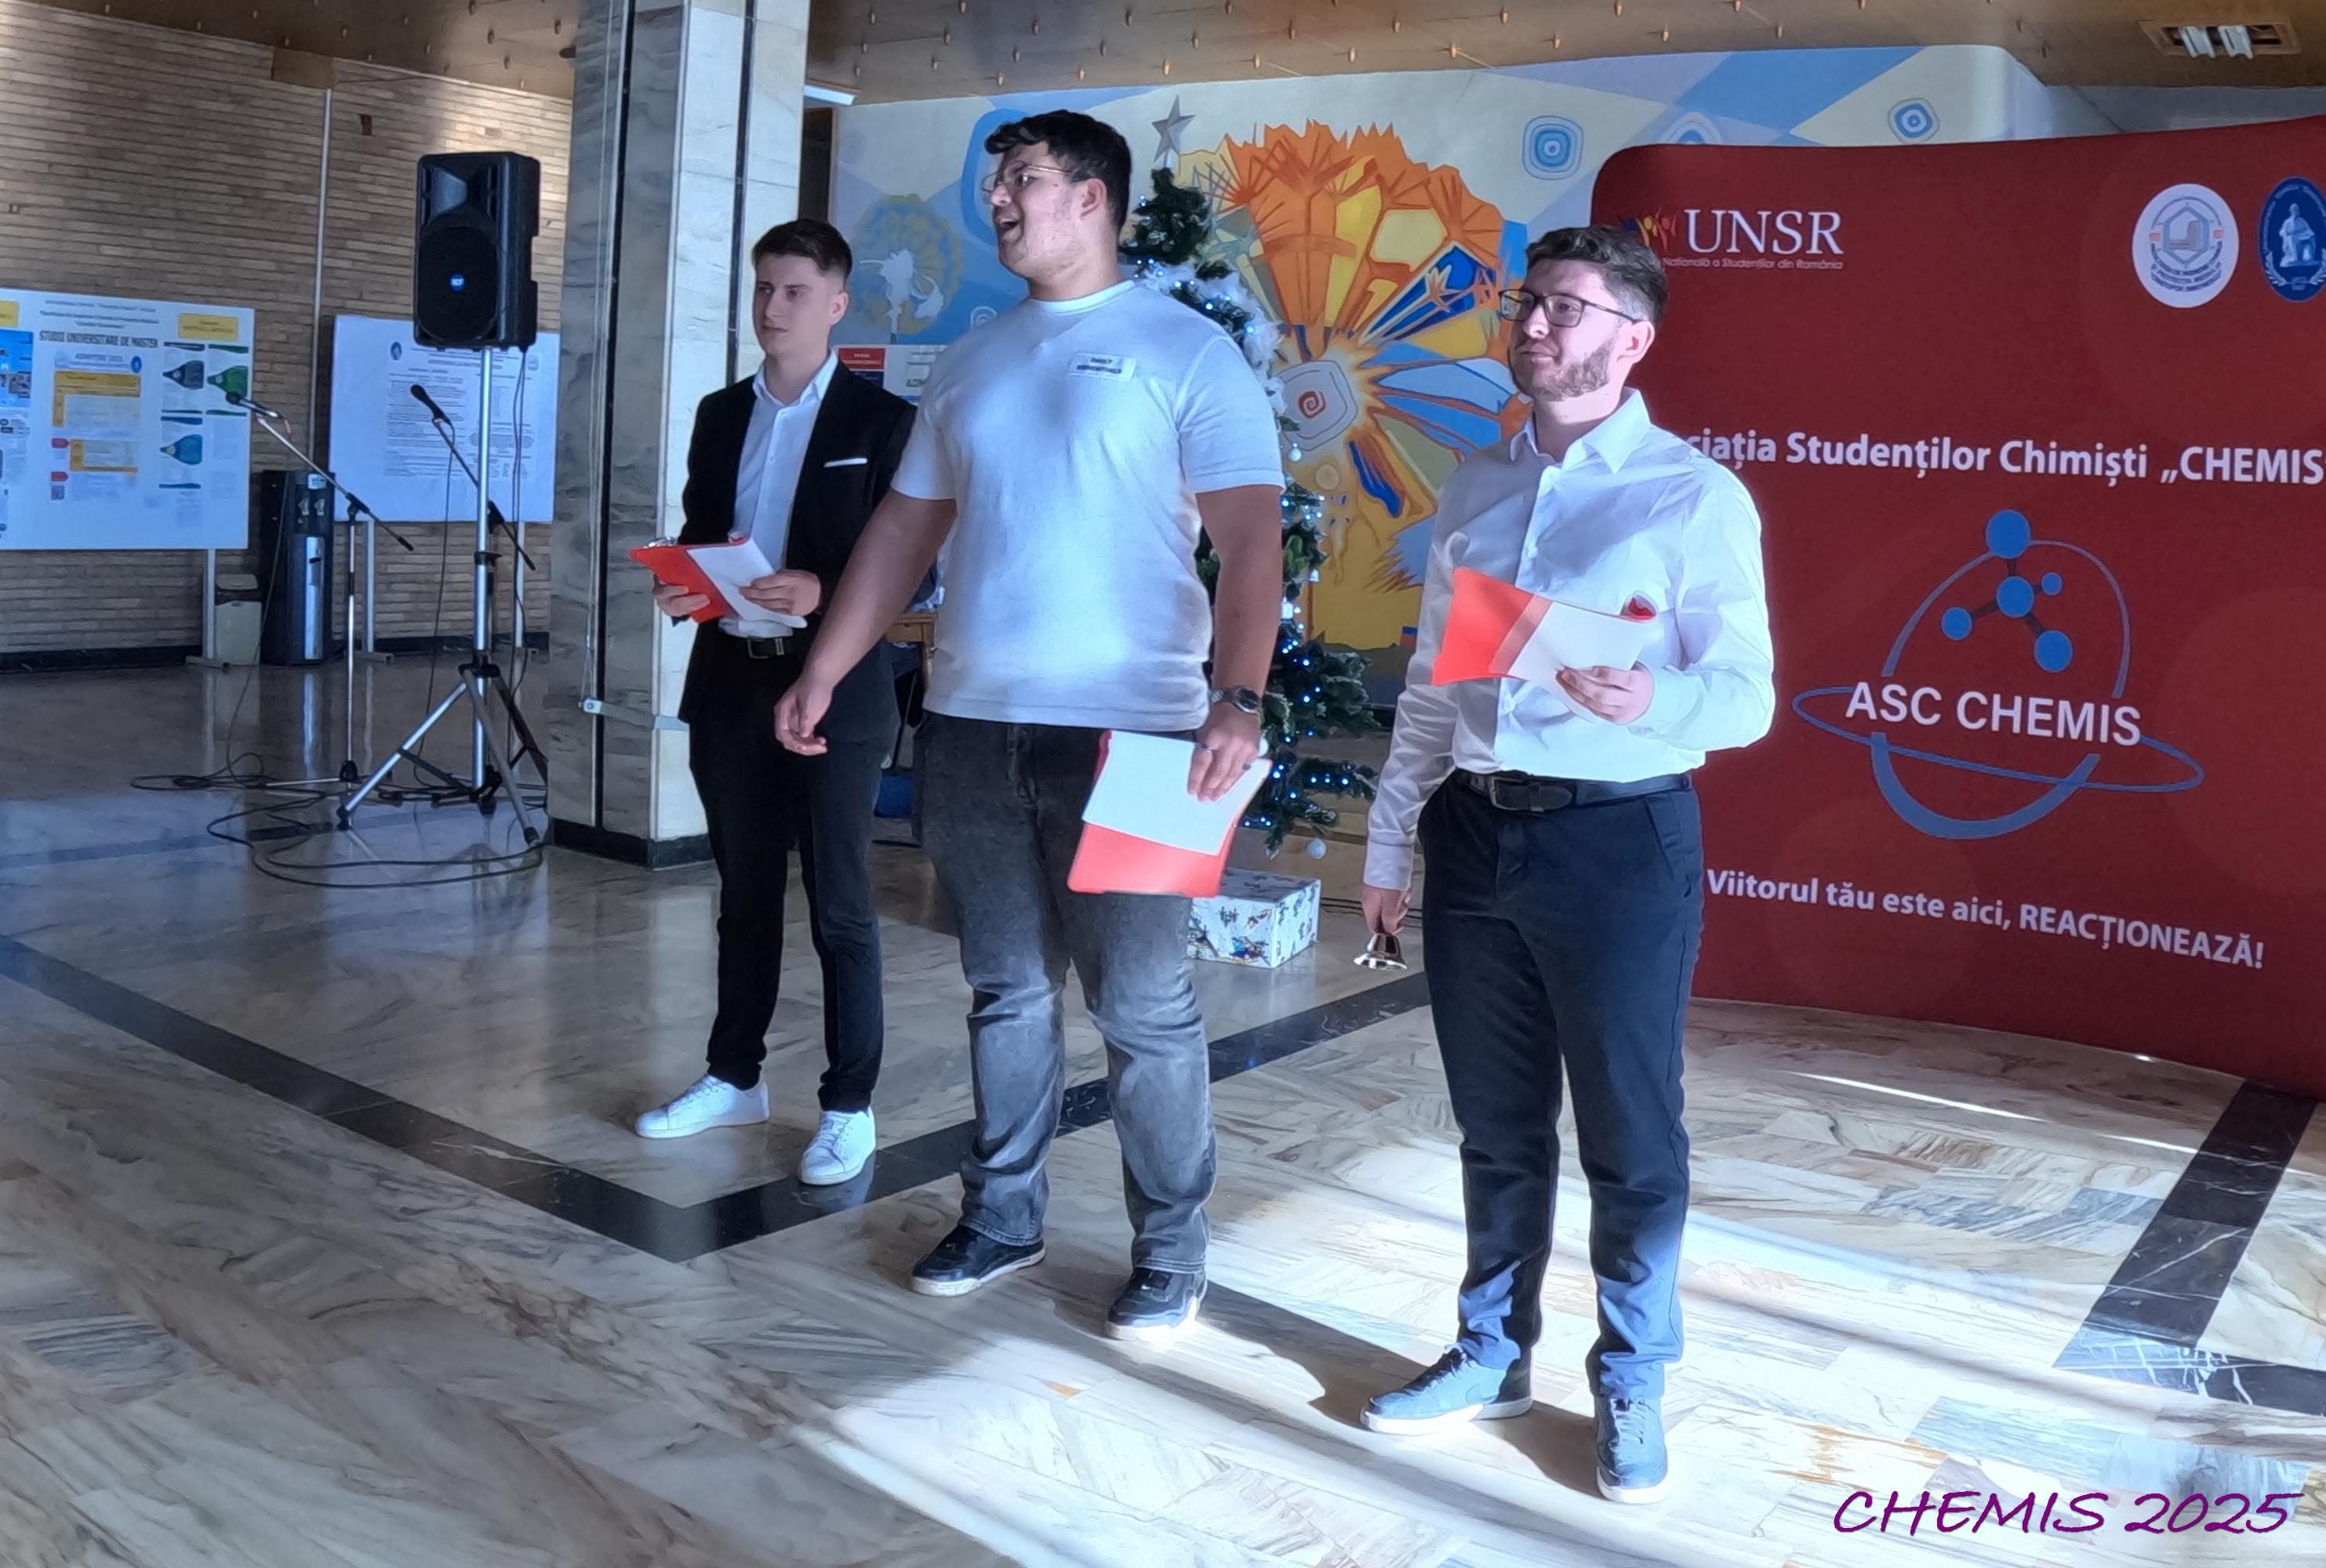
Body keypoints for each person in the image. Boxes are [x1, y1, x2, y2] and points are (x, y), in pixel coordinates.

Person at [774, 111, 1285, 1341]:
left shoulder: (1184, 349)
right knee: (1003, 992)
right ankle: (1002, 1215)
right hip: (969, 728)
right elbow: (903, 533)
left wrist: (1238, 696)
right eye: (996, 180)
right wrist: (826, 667)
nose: (997, 199)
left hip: (1138, 738)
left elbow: (1250, 537)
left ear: (1092, 197)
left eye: (1022, 180)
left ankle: (1172, 1250)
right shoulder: (971, 359)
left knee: (1143, 1009)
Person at [1357, 225, 1774, 1504]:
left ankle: (1632, 1374)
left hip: (1617, 839)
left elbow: (1747, 697)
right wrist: (1389, 840)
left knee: (1630, 1133)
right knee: (1495, 1125)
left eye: (1565, 308)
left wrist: (1652, 697)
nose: (1533, 324)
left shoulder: (1692, 496)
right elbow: (1432, 686)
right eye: (1527, 301)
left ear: (1632, 338)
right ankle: (1490, 1351)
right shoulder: (1475, 487)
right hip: (1473, 830)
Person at [634, 219, 915, 1189]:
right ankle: (733, 1074)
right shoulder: (721, 413)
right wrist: (685, 585)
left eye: (793, 290)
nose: (771, 306)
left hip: (838, 683)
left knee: (839, 903)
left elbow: (916, 571)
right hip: (730, 680)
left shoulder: (881, 422)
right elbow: (702, 530)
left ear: (836, 304)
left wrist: (822, 590)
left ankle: (849, 1103)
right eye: (762, 287)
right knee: (743, 893)